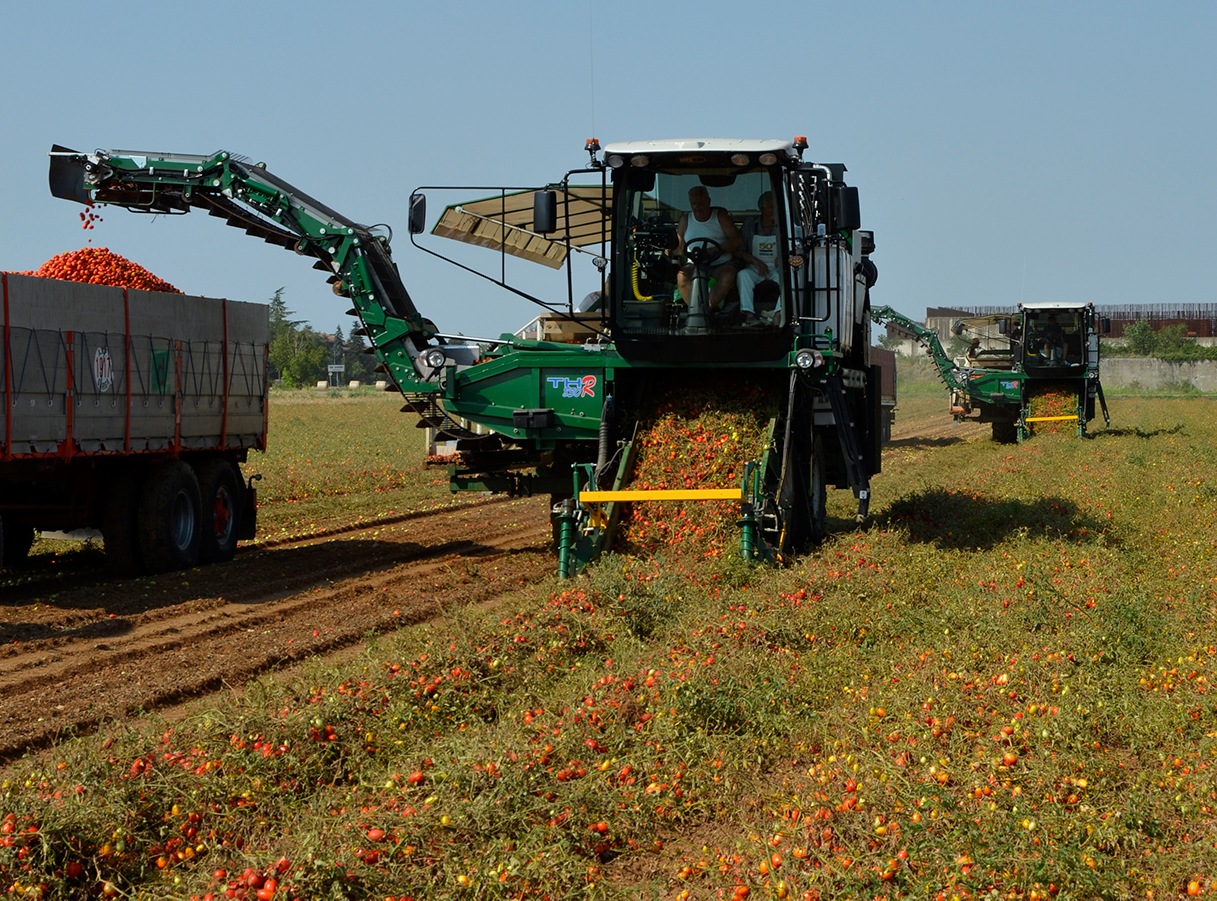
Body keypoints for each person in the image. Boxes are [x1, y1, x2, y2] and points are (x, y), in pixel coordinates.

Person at [670, 185, 742, 314]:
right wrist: (669, 251)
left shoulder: (720, 216)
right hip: (694, 264)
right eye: (694, 204)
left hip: (720, 264)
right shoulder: (686, 220)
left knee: (728, 275)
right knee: (682, 276)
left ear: (708, 201)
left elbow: (737, 240)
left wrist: (712, 251)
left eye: (701, 203)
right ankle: (694, 310)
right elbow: (679, 247)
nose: (697, 207)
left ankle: (707, 309)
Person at [736, 191, 781, 326]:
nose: (774, 210)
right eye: (771, 207)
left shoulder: (783, 223)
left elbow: (794, 245)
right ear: (762, 208)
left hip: (777, 268)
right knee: (743, 275)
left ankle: (778, 314)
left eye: (776, 206)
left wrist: (783, 255)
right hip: (756, 268)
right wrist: (755, 261)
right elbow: (738, 250)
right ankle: (749, 316)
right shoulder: (750, 224)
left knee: (789, 278)